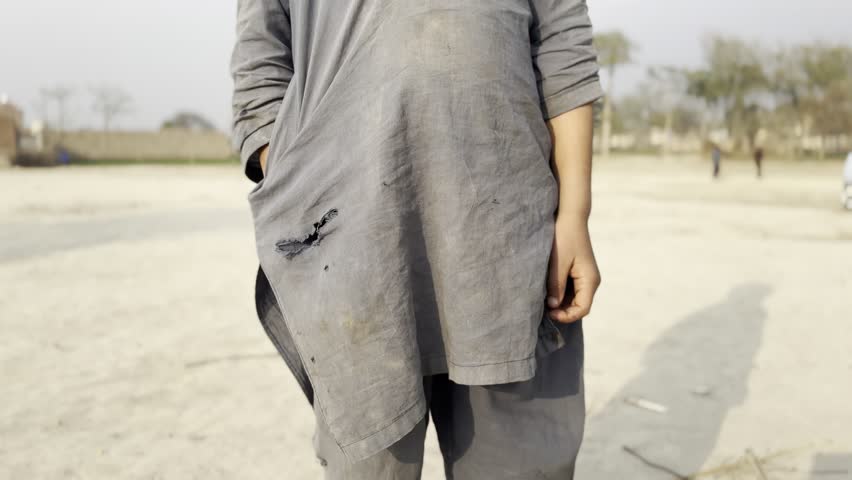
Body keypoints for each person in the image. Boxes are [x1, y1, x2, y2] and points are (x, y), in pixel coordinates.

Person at [231, 1, 603, 478]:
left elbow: (562, 39)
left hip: (508, 233)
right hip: (350, 236)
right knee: (372, 462)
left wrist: (575, 212)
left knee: (520, 460)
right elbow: (259, 61)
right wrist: (294, 174)